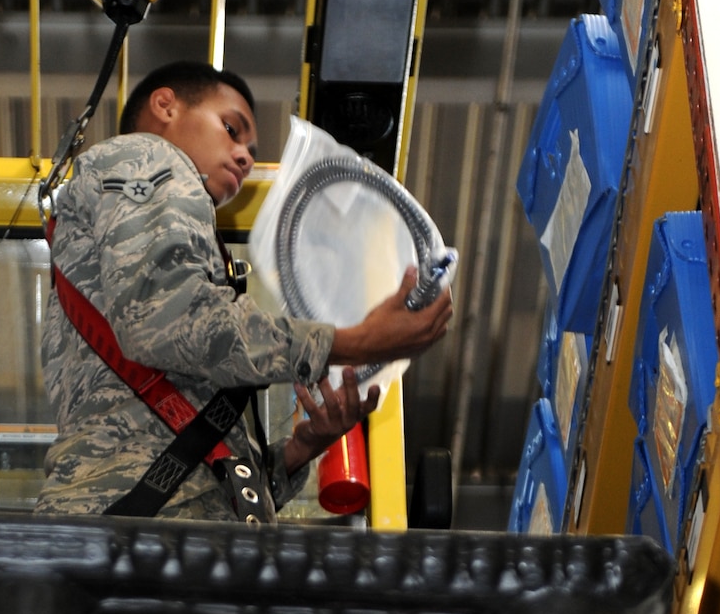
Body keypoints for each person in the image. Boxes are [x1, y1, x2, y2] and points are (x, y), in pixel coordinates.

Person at [36, 59, 453, 520]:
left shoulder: (165, 234)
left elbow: (195, 466)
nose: (245, 156)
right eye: (231, 129)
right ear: (165, 105)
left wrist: (301, 449)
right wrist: (354, 341)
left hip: (144, 519)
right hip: (147, 528)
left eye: (249, 148)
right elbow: (165, 319)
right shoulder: (149, 157)